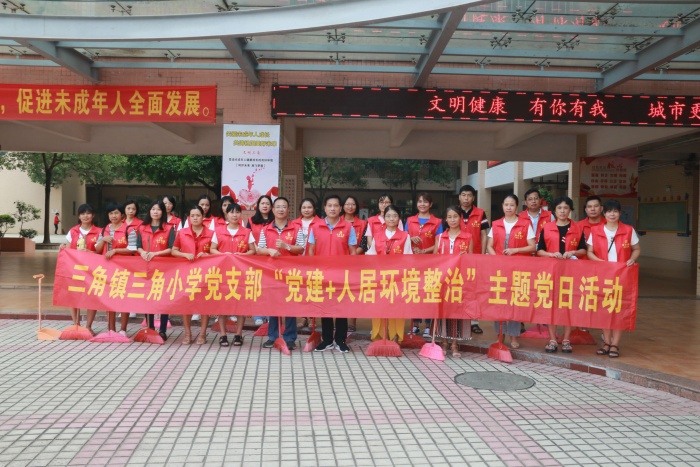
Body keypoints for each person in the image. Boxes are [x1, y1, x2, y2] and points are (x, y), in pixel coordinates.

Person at [587, 199, 640, 359]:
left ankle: (615, 344)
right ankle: (606, 342)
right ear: (604, 213)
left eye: (615, 211)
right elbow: (589, 252)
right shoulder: (595, 230)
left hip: (622, 277)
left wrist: (632, 259)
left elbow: (636, 249)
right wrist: (599, 262)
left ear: (619, 213)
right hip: (602, 276)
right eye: (609, 211)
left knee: (618, 310)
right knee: (604, 310)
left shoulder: (628, 230)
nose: (612, 214)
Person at [536, 196, 587, 354]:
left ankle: (566, 339)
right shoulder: (546, 228)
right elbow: (539, 250)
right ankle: (552, 339)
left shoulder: (577, 228)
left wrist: (573, 252)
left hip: (571, 273)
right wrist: (551, 254)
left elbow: (584, 250)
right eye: (559, 208)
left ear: (570, 210)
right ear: (554, 211)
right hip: (551, 272)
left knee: (568, 306)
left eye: (566, 208)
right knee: (551, 306)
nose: (563, 211)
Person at [308, 194, 357, 353]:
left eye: (336, 205)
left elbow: (353, 251)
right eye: (329, 205)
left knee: (341, 307)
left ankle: (341, 340)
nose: (332, 208)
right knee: (325, 307)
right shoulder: (315, 227)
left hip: (342, 274)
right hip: (322, 274)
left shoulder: (348, 227)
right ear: (324, 208)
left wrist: (351, 272)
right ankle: (327, 340)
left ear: (340, 208)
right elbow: (310, 250)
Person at [487, 194, 536, 349]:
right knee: (499, 302)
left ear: (517, 207)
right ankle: (499, 335)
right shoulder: (496, 224)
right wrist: (496, 259)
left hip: (518, 270)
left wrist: (515, 250)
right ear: (502, 206)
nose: (509, 207)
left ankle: (514, 336)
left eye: (512, 205)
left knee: (515, 302)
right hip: (499, 271)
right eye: (506, 204)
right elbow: (489, 246)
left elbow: (532, 246)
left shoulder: (525, 224)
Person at [256, 197, 305, 351]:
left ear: (288, 210)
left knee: (290, 305)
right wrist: (269, 250)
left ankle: (290, 338)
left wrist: (286, 246)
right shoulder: (266, 229)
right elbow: (259, 249)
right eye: (278, 207)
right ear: (273, 209)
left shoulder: (296, 228)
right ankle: (273, 337)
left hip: (291, 273)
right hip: (272, 272)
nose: (281, 209)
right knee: (273, 304)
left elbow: (301, 248)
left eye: (284, 206)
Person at [210, 202, 256, 347]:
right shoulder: (218, 231)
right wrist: (224, 255)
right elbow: (212, 249)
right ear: (226, 214)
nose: (234, 215)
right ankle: (223, 335)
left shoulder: (246, 232)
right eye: (231, 212)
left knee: (241, 304)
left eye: (237, 212)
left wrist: (241, 255)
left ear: (240, 214)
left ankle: (238, 334)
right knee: (222, 304)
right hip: (222, 273)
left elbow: (252, 250)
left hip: (240, 273)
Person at [367, 204, 412, 344]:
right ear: (384, 218)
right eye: (388, 216)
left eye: (394, 216)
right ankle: (379, 335)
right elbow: (371, 255)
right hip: (380, 278)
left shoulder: (405, 236)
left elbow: (408, 257)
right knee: (379, 306)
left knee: (397, 307)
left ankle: (395, 336)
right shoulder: (377, 236)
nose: (391, 219)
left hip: (398, 279)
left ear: (399, 218)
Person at [171, 205, 213, 345]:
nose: (195, 218)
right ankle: (188, 333)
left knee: (205, 303)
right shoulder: (182, 233)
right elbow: (174, 250)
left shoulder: (211, 233)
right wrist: (184, 254)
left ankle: (202, 334)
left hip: (206, 273)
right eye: (192, 216)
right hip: (187, 272)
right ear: (189, 218)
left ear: (203, 217)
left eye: (198, 215)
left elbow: (216, 251)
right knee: (186, 303)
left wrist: (207, 254)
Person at [434, 206, 472, 357]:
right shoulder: (440, 237)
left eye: (455, 216)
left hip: (459, 281)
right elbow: (435, 259)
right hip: (443, 280)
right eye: (449, 217)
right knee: (443, 311)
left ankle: (455, 344)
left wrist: (466, 256)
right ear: (445, 219)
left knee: (457, 311)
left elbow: (472, 259)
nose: (452, 220)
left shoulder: (468, 237)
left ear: (461, 218)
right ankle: (443, 342)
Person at [95, 202, 138, 337]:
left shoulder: (129, 230)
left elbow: (133, 249)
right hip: (107, 270)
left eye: (116, 213)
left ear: (122, 215)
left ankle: (123, 330)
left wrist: (116, 250)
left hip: (124, 270)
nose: (113, 216)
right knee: (109, 299)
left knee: (124, 299)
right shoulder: (104, 230)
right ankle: (111, 329)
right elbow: (97, 249)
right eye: (111, 213)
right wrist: (103, 240)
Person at [136, 200, 175, 341]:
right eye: (153, 209)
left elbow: (171, 248)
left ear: (163, 212)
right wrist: (142, 252)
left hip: (164, 269)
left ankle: (163, 330)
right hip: (146, 268)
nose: (155, 212)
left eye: (158, 209)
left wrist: (156, 254)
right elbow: (138, 245)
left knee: (163, 299)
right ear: (149, 211)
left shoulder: (169, 228)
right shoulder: (142, 227)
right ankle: (150, 328)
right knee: (148, 298)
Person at [406, 192, 443, 337]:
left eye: (425, 201)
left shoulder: (437, 222)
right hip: (413, 263)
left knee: (429, 293)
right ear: (416, 204)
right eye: (420, 201)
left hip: (430, 263)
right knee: (414, 292)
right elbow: (402, 238)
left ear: (431, 204)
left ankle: (428, 325)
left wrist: (424, 251)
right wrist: (410, 238)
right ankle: (415, 324)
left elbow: (439, 243)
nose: (422, 204)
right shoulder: (409, 221)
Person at [60, 204, 100, 335]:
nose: (85, 216)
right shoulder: (73, 231)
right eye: (83, 213)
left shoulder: (99, 232)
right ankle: (76, 324)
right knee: (73, 296)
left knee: (92, 297)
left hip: (92, 270)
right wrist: (63, 248)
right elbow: (67, 250)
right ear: (79, 216)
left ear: (93, 215)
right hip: (75, 269)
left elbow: (101, 252)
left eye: (88, 213)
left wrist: (90, 252)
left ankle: (88, 326)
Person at [457, 184, 488, 335]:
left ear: (473, 197)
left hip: (475, 257)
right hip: (457, 259)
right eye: (463, 195)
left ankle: (474, 321)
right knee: (459, 288)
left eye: (469, 195)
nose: (466, 198)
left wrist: (482, 255)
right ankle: (459, 319)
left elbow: (484, 235)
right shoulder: (454, 212)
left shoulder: (480, 213)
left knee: (474, 290)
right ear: (459, 197)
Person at [246, 195, 273, 326]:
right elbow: (246, 236)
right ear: (258, 206)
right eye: (262, 203)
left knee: (269, 287)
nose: (265, 206)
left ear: (271, 206)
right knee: (256, 286)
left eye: (267, 203)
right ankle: (258, 315)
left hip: (271, 258)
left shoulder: (275, 220)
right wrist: (256, 248)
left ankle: (270, 315)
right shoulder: (251, 221)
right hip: (255, 258)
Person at [343, 195, 367, 332]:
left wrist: (352, 256)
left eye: (352, 204)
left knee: (353, 292)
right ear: (342, 206)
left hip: (357, 263)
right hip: (340, 263)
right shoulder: (337, 222)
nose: (350, 207)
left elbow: (364, 243)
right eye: (347, 204)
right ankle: (340, 320)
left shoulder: (363, 223)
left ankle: (352, 321)